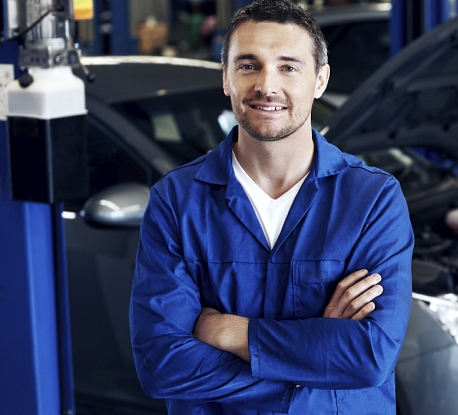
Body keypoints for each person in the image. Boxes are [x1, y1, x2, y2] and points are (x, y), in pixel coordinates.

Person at [128, 0, 414, 413]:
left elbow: (368, 357)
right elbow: (162, 364)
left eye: (288, 66)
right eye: (248, 65)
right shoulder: (177, 200)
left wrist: (228, 330)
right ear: (226, 78)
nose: (267, 85)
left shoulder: (372, 200)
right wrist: (314, 361)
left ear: (320, 80)